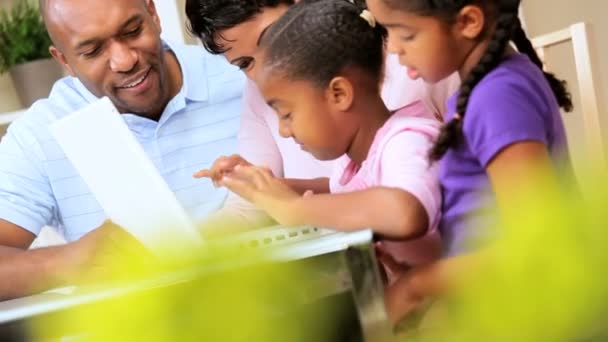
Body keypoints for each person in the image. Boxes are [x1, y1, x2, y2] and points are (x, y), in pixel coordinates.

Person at [0, 0, 244, 300]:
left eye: (132, 30)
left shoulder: (240, 73)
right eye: (92, 51)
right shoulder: (39, 135)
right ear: (64, 60)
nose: (124, 60)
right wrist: (68, 262)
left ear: (153, 14)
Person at [365, 0, 573, 325]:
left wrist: (416, 286)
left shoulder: (498, 97)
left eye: (404, 33)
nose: (393, 49)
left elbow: (538, 243)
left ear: (468, 22)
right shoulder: (486, 88)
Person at [197, 0, 444, 271]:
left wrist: (293, 209)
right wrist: (261, 185)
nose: (283, 130)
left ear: (339, 94)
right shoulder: (352, 162)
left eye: (287, 115)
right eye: (245, 63)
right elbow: (338, 189)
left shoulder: (406, 140)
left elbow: (405, 211)